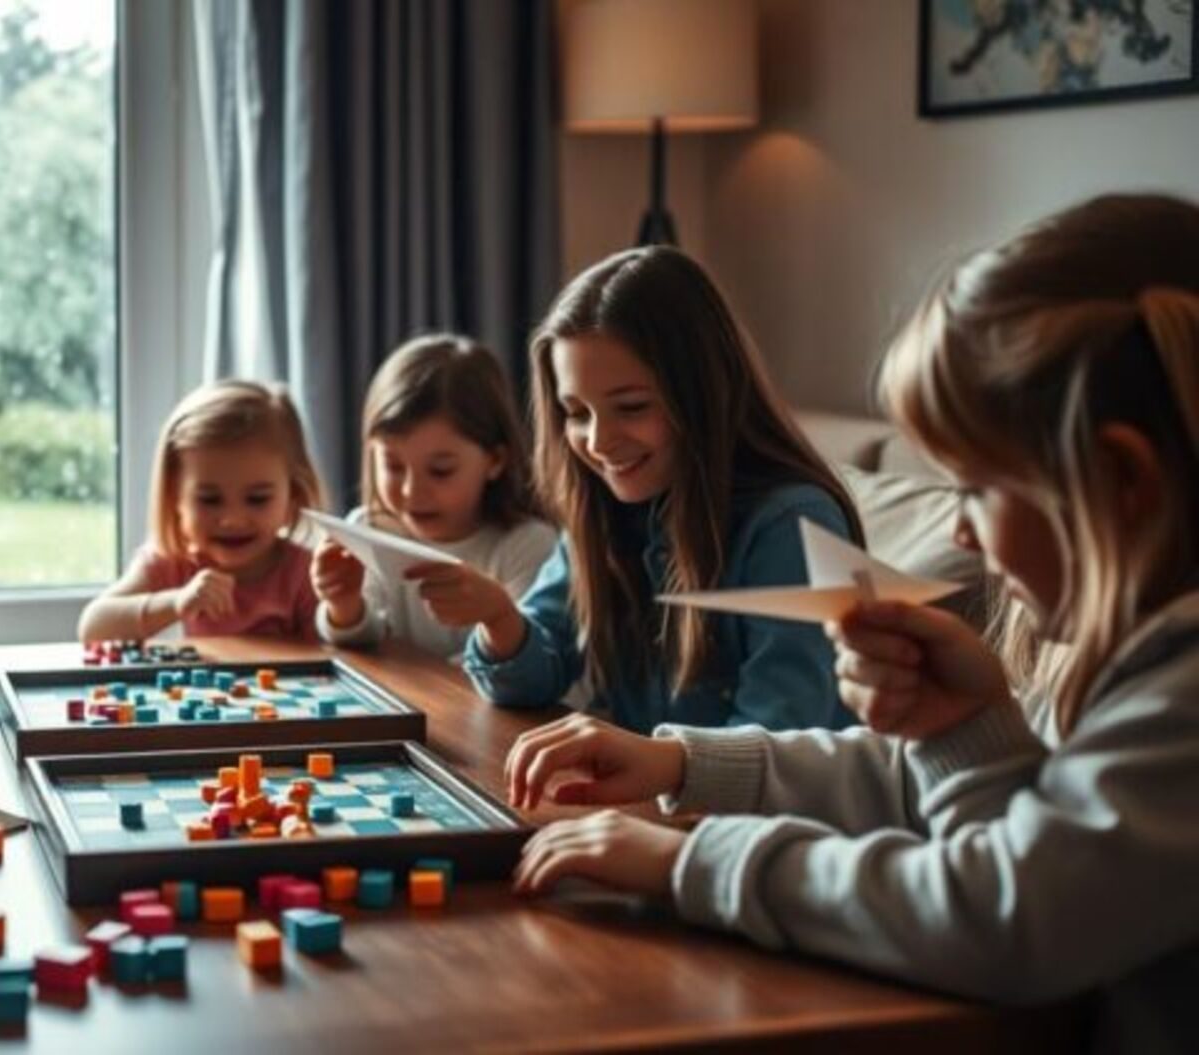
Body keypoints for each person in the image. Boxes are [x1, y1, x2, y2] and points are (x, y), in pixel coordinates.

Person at [508, 195, 1199, 1052]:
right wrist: (684, 760)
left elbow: (1000, 914)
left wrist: (691, 863)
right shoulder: (1132, 667)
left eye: (979, 490)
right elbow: (995, 829)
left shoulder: (1184, 693)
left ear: (1120, 482)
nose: (958, 534)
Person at [468, 247, 861, 733]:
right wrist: (497, 617)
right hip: (653, 801)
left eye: (631, 407)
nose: (598, 442)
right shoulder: (604, 511)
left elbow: (781, 739)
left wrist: (651, 765)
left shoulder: (792, 524)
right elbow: (530, 678)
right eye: (576, 412)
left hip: (755, 808)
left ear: (704, 393)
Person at [313, 334, 556, 661]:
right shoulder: (367, 528)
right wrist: (343, 606)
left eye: (441, 470)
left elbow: (539, 665)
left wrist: (497, 615)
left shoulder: (526, 546)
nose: (412, 490)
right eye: (393, 465)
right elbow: (361, 641)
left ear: (495, 461)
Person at [79, 380, 325, 641]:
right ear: (174, 496)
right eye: (209, 499)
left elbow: (334, 660)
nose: (233, 520)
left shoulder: (305, 572)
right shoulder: (172, 562)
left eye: (257, 499)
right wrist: (176, 602)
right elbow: (93, 627)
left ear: (294, 493)